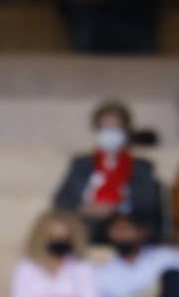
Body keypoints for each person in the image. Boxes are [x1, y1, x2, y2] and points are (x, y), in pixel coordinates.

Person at [53, 100, 163, 243]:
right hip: (85, 226)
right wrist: (84, 209)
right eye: (104, 128)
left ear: (125, 130)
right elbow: (61, 200)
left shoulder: (141, 168)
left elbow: (148, 203)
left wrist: (115, 206)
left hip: (125, 229)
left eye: (115, 128)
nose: (109, 133)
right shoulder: (80, 165)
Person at [9, 210, 116, 297]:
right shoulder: (27, 268)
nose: (58, 242)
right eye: (54, 238)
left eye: (63, 238)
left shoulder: (81, 267)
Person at [94, 212, 179, 297]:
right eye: (116, 230)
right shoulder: (104, 271)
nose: (121, 235)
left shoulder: (164, 256)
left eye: (126, 229)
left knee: (172, 277)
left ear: (141, 232)